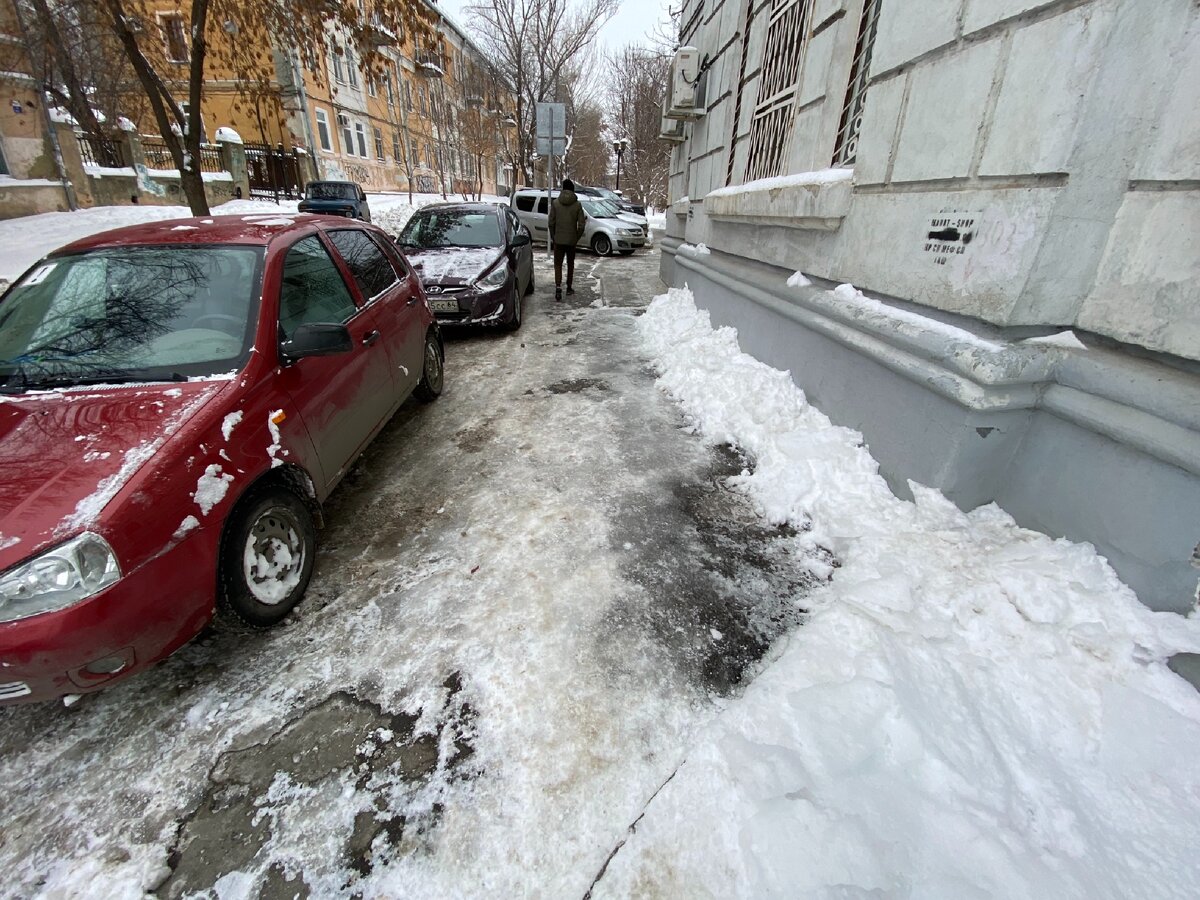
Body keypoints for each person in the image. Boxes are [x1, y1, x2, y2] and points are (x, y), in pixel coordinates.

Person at [547, 178, 586, 301]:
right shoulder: (577, 205)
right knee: (570, 264)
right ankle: (569, 287)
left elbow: (550, 223)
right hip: (571, 241)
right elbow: (581, 225)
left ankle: (558, 287)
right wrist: (576, 237)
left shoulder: (556, 204)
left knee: (558, 264)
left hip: (558, 240)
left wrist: (554, 237)